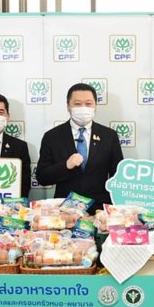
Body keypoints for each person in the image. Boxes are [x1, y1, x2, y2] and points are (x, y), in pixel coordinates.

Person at [36, 83, 123, 214]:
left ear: (95, 106)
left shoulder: (109, 136)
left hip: (100, 211)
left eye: (88, 103)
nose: (83, 108)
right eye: (77, 104)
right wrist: (66, 165)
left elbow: (117, 176)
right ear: (68, 106)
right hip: (65, 211)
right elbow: (42, 178)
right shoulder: (52, 136)